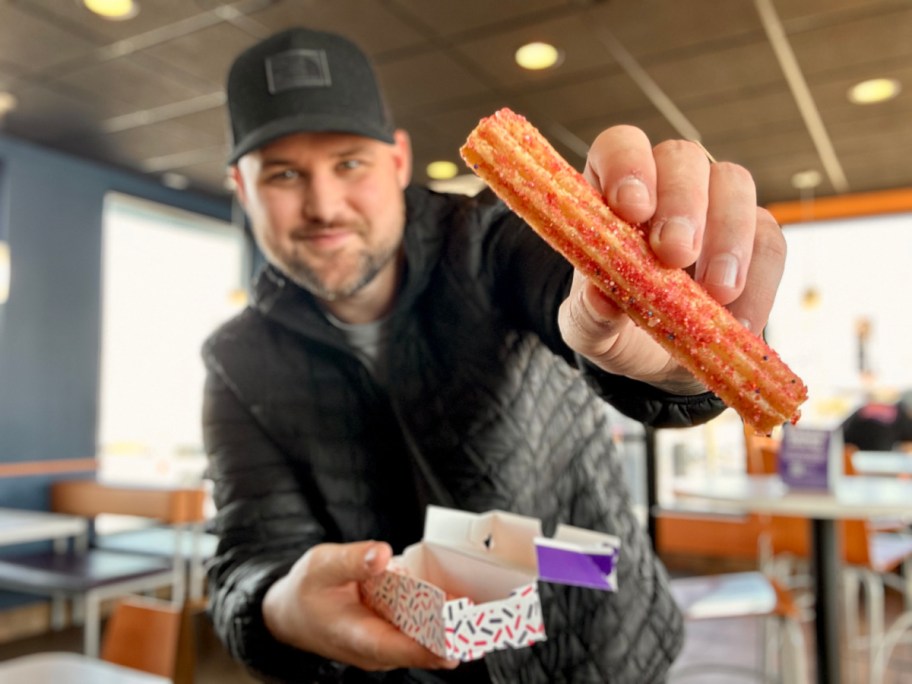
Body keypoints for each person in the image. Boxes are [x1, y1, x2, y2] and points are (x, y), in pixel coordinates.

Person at [202, 26, 787, 684]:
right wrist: (280, 606)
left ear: (397, 162)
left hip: (603, 651)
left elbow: (570, 299)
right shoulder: (236, 359)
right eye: (282, 174)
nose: (324, 205)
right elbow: (246, 557)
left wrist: (675, 358)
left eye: (349, 162)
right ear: (241, 189)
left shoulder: (494, 238)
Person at [841, 390, 912, 452]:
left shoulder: (900, 413)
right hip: (860, 458)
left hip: (889, 459)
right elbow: (845, 439)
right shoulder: (858, 411)